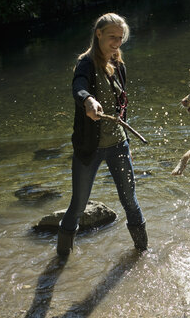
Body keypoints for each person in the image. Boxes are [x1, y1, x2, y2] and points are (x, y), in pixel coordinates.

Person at [57, 13, 147, 256]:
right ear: (98, 34)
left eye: (120, 38)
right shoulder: (86, 63)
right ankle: (62, 259)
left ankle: (143, 254)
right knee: (78, 205)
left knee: (130, 202)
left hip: (119, 144)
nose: (117, 42)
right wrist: (87, 100)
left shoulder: (119, 66)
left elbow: (121, 105)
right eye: (111, 37)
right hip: (89, 148)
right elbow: (79, 86)